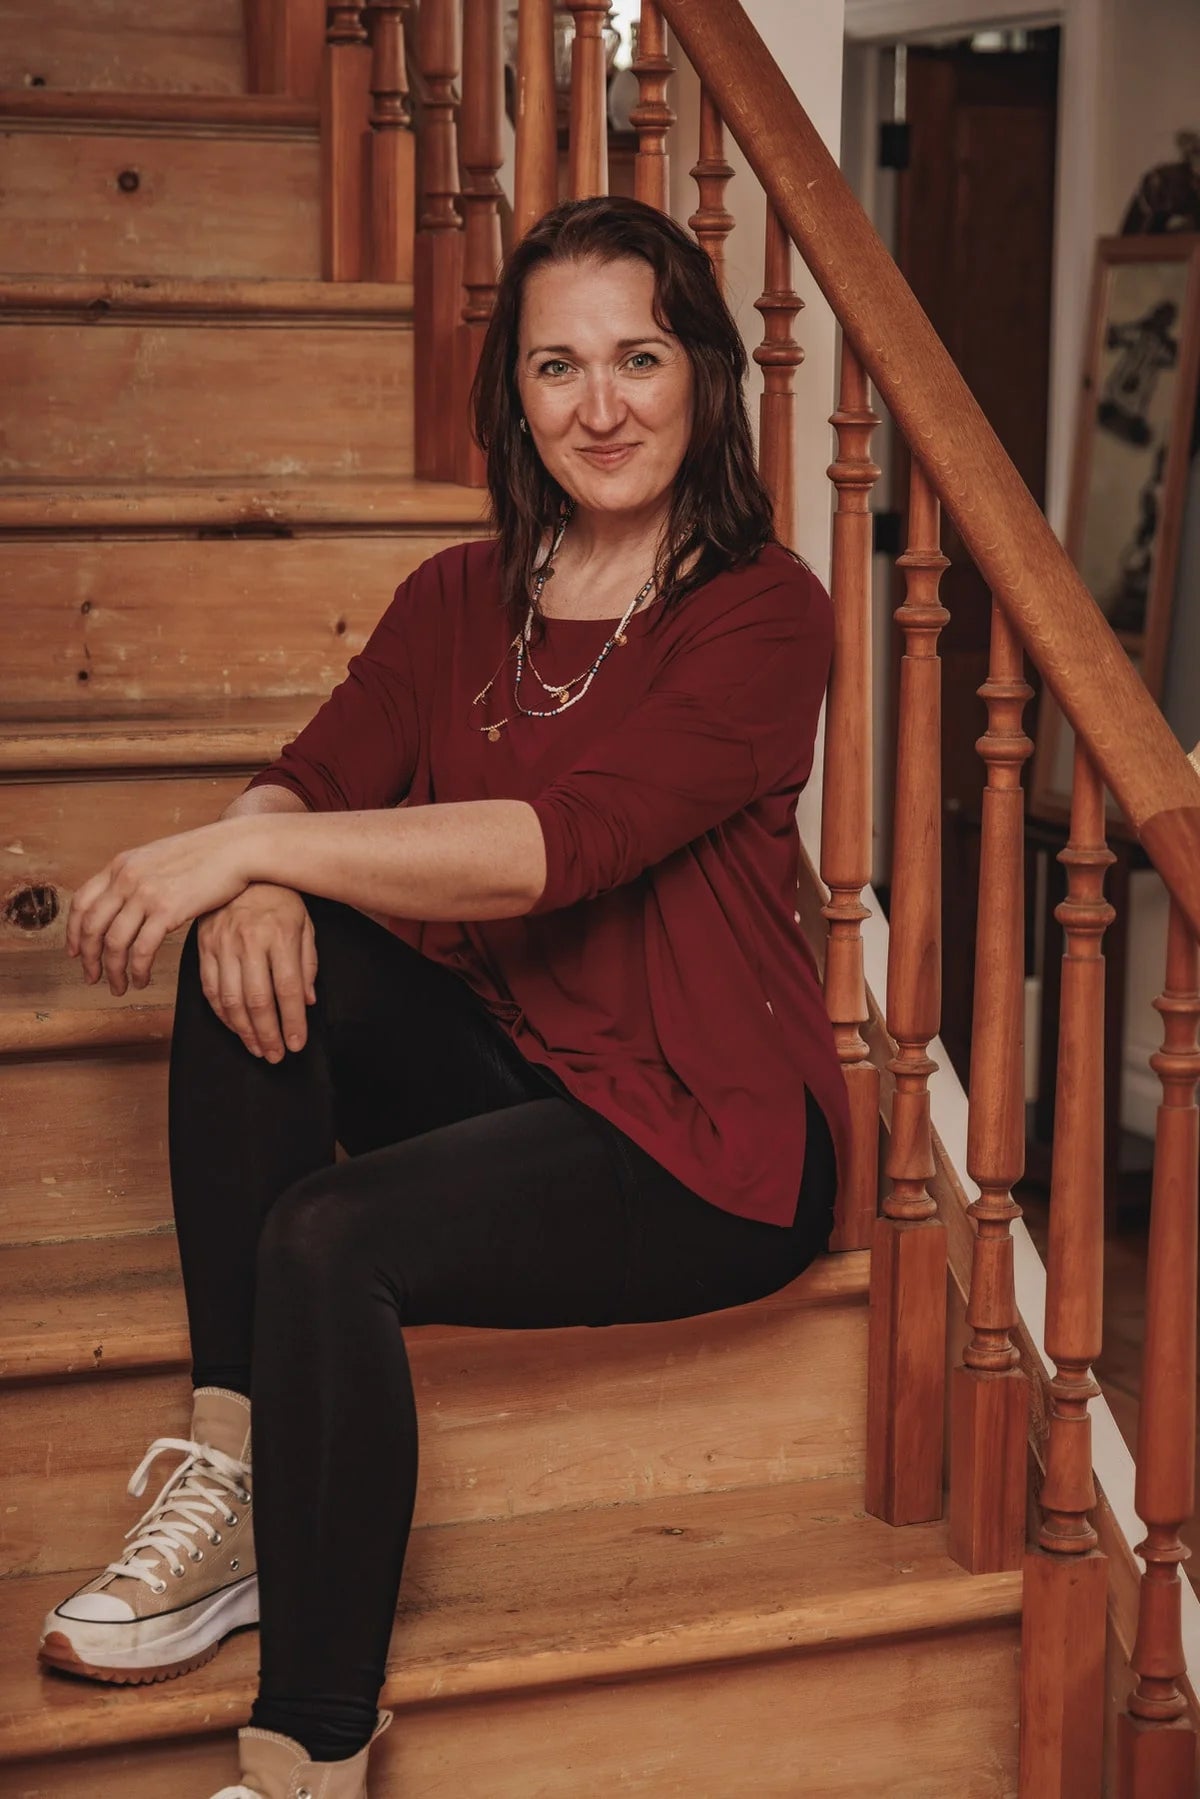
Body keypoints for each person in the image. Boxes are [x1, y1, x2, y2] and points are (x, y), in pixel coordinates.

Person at [40, 195, 851, 1799]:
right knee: (256, 934)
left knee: (328, 1237)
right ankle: (233, 1480)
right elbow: (311, 776)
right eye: (558, 368)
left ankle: (305, 1759)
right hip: (533, 1070)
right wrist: (255, 861)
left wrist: (240, 852)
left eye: (638, 357)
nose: (600, 406)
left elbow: (557, 851)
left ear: (701, 375)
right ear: (517, 397)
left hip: (713, 1139)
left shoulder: (765, 611)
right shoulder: (454, 599)